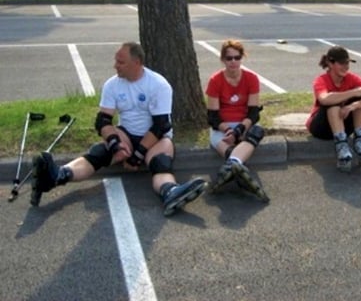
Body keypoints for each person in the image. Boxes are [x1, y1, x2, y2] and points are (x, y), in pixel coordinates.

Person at [31, 42, 207, 216]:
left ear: (137, 62)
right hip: (127, 134)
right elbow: (103, 121)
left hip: (155, 139)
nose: (115, 66)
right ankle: (58, 175)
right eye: (116, 61)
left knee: (160, 162)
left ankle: (170, 191)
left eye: (121, 62)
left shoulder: (158, 84)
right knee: (100, 152)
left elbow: (161, 125)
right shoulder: (112, 85)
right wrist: (115, 144)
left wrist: (137, 156)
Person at [205, 39, 269, 202]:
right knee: (219, 140)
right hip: (222, 127)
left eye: (237, 57)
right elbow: (213, 117)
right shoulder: (215, 80)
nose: (233, 62)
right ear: (222, 59)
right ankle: (238, 169)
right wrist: (228, 131)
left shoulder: (251, 78)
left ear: (242, 58)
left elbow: (253, 113)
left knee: (257, 131)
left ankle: (231, 165)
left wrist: (239, 130)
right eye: (229, 58)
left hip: (244, 125)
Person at [306, 46, 361, 172]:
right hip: (321, 127)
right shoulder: (321, 80)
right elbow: (324, 99)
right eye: (341, 63)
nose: (346, 67)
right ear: (330, 63)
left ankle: (360, 141)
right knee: (333, 104)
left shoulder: (353, 78)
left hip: (344, 124)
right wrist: (354, 92)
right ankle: (341, 147)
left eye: (347, 63)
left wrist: (354, 105)